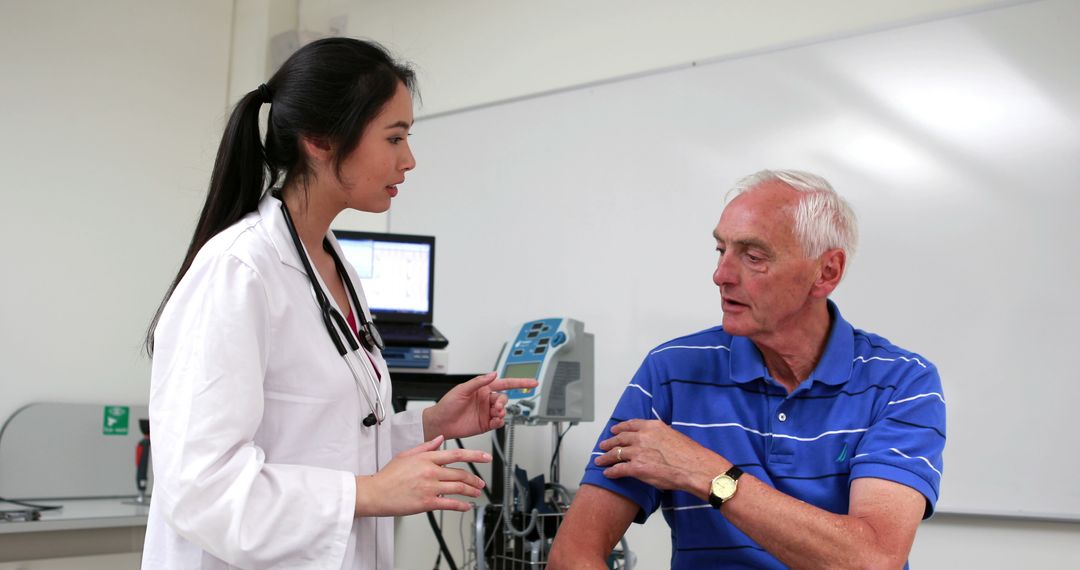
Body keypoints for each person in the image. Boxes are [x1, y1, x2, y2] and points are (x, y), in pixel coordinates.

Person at [142, 38, 536, 569]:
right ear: (320, 142)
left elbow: (327, 439)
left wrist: (429, 423)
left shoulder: (331, 265)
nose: (409, 159)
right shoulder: (239, 270)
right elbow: (201, 486)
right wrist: (368, 494)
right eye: (394, 137)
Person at [549, 170, 945, 569]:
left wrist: (707, 473)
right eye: (721, 250)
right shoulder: (670, 371)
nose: (721, 275)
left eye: (753, 257)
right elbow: (572, 554)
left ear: (826, 273)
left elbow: (872, 562)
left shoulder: (903, 383)